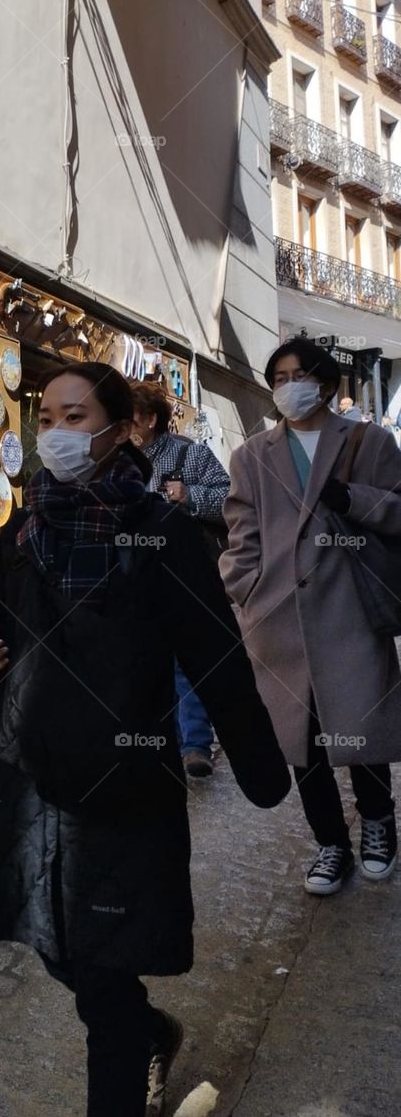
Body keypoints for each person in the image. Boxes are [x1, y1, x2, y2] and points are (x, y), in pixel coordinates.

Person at [0, 362, 289, 1117]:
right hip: (30, 777)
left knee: (103, 966)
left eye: (75, 416)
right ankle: (146, 1031)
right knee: (53, 944)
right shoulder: (28, 519)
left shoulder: (158, 528)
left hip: (121, 782)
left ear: (117, 428)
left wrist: (262, 765)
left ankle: (129, 1056)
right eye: (48, 416)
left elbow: (215, 651)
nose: (57, 433)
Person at [221, 337, 401, 896]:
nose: (287, 386)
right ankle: (330, 843)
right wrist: (245, 585)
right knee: (302, 741)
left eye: (298, 374)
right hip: (277, 620)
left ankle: (378, 824)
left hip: (349, 611)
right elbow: (240, 532)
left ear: (324, 382)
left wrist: (353, 500)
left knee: (360, 728)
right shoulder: (251, 455)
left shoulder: (368, 441)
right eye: (278, 377)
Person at [130, 381, 230, 780]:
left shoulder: (188, 453)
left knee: (184, 663)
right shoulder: (115, 460)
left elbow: (230, 499)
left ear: (150, 419)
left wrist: (190, 495)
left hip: (185, 576)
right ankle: (162, 744)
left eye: (129, 416)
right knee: (146, 664)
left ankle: (194, 746)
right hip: (135, 579)